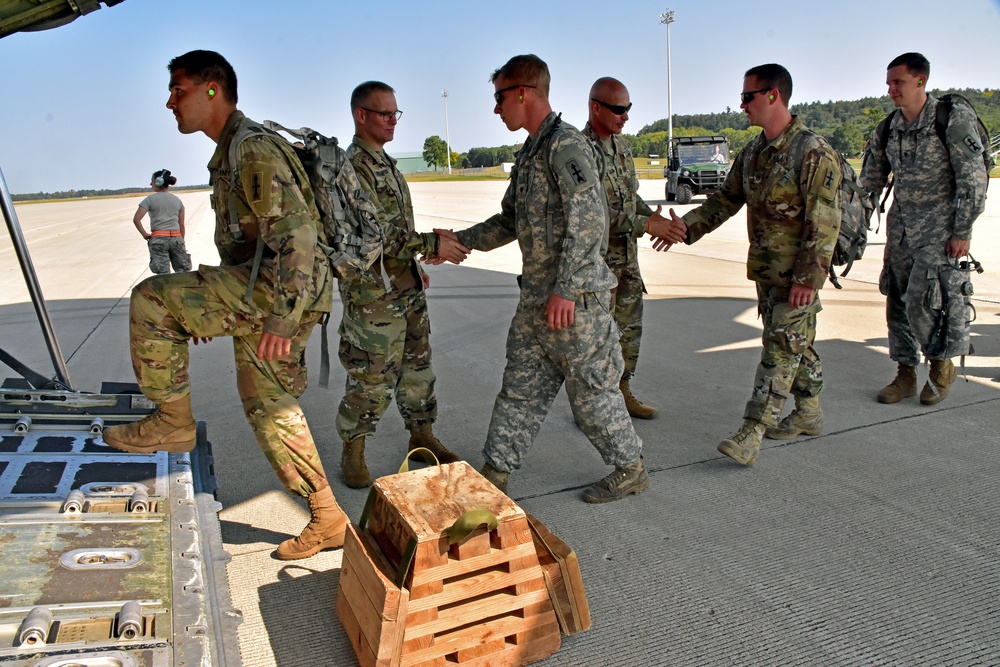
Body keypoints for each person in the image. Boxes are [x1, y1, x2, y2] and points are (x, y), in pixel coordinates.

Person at [102, 50, 346, 560]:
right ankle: (327, 515)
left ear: (212, 89)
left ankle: (172, 421)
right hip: (276, 288)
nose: (170, 102)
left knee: (152, 300)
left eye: (179, 89)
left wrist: (278, 316)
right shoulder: (233, 150)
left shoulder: (252, 150)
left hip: (284, 289)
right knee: (267, 404)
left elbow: (298, 235)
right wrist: (214, 307)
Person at [441, 55, 647, 503]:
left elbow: (590, 219)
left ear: (523, 92)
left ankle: (630, 469)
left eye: (499, 98)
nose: (496, 110)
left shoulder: (565, 146)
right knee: (519, 390)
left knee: (592, 398)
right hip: (537, 302)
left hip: (575, 307)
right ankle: (495, 474)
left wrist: (567, 289)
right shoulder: (531, 152)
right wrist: (458, 242)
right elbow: (508, 221)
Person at [648, 63, 841, 466]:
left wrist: (809, 277)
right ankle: (809, 413)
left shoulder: (812, 151)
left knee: (779, 350)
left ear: (773, 95)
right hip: (767, 272)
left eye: (747, 96)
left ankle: (751, 432)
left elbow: (825, 220)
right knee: (793, 343)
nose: (741, 105)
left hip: (798, 276)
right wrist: (686, 228)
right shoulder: (754, 152)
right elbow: (724, 201)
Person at [336, 81, 466, 488]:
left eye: (396, 114)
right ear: (361, 116)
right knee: (371, 374)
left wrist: (412, 264)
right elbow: (373, 235)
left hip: (404, 286)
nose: (394, 120)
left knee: (418, 367)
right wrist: (432, 243)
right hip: (373, 296)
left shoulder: (385, 164)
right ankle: (353, 449)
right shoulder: (351, 168)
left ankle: (422, 433)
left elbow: (395, 232)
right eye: (385, 114)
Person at [860, 52, 987, 406]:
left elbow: (973, 180)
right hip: (901, 227)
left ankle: (940, 365)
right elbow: (870, 179)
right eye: (888, 82)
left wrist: (963, 229)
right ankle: (904, 374)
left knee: (926, 300)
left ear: (921, 81)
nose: (891, 89)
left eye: (897, 82)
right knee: (897, 299)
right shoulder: (888, 127)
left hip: (940, 228)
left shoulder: (951, 119)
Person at [581, 77, 672, 419]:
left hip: (627, 261)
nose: (626, 116)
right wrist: (648, 225)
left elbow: (630, 199)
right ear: (596, 107)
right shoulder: (580, 152)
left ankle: (621, 392)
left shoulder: (621, 148)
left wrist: (657, 219)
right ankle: (592, 406)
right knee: (596, 341)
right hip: (597, 266)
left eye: (628, 108)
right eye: (619, 109)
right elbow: (594, 213)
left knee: (629, 332)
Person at [132, 169, 192, 274]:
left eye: (152, 181)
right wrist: (181, 242)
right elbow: (181, 225)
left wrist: (144, 234)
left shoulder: (149, 200)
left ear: (158, 182)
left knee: (162, 275)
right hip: (177, 238)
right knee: (183, 272)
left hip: (158, 240)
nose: (151, 183)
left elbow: (136, 219)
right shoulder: (177, 200)